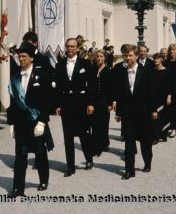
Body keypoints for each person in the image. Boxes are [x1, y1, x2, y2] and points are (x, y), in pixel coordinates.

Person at [7, 42, 54, 197]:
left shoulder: (42, 77)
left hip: (36, 121)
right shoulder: (14, 78)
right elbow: (12, 103)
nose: (21, 59)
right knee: (20, 156)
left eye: (24, 56)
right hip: (20, 122)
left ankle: (43, 180)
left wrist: (42, 121)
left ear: (31, 58)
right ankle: (17, 188)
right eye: (19, 56)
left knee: (40, 153)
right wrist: (11, 123)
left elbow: (48, 102)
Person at [114, 45, 156, 180]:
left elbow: (151, 93)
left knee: (145, 141)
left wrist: (153, 110)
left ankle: (147, 162)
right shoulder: (120, 72)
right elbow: (119, 94)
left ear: (136, 56)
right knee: (129, 143)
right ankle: (129, 170)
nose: (127, 58)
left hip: (143, 112)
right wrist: (118, 112)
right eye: (125, 56)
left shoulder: (147, 71)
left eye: (130, 55)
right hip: (127, 113)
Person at [55, 38, 96, 177]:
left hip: (82, 104)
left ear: (77, 48)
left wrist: (91, 103)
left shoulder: (86, 63)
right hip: (66, 104)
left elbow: (92, 85)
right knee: (68, 137)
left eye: (73, 46)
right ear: (65, 48)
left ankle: (89, 159)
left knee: (84, 134)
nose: (70, 49)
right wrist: (58, 105)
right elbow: (58, 87)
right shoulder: (60, 64)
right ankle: (70, 166)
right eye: (68, 46)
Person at [90, 50, 112, 157]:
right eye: (97, 56)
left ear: (104, 58)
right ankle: (97, 146)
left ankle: (103, 143)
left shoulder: (109, 71)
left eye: (101, 56)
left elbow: (111, 89)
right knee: (95, 123)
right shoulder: (92, 70)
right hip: (94, 100)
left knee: (103, 123)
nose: (99, 58)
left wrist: (110, 103)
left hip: (104, 100)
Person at [150, 53, 172, 144]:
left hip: (164, 96)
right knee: (156, 116)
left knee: (165, 115)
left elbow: (169, 85)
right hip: (155, 96)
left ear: (161, 60)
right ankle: (156, 136)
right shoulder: (152, 71)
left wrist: (169, 96)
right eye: (154, 59)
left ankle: (163, 134)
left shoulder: (167, 71)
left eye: (158, 59)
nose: (156, 60)